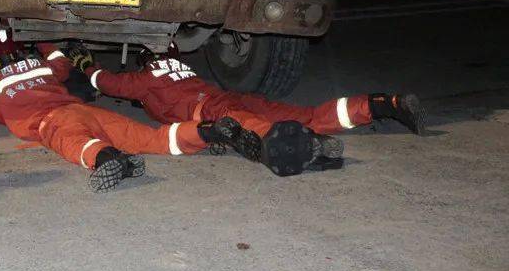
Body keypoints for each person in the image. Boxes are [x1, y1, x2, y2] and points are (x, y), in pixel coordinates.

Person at [66, 42, 424, 176]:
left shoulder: (145, 78)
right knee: (306, 115)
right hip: (232, 97)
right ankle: (383, 105)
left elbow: (105, 82)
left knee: (260, 132)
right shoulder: (183, 69)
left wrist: (83, 63)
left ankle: (300, 149)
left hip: (215, 108)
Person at [0, 27, 250, 192]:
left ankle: (108, 159)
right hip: (86, 110)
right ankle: (207, 131)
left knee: (75, 144)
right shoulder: (42, 67)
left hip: (54, 121)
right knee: (153, 138)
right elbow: (62, 65)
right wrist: (42, 39)